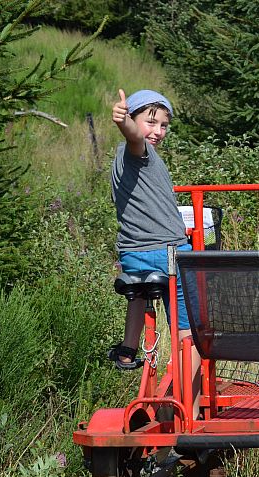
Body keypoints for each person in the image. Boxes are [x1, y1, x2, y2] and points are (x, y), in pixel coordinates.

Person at [106, 89, 193, 372]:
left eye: (164, 125)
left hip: (132, 255)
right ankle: (190, 411)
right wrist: (123, 123)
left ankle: (128, 349)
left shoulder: (119, 160)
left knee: (139, 292)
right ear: (132, 117)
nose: (158, 131)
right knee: (188, 332)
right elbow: (135, 137)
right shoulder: (138, 151)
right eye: (151, 121)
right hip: (167, 254)